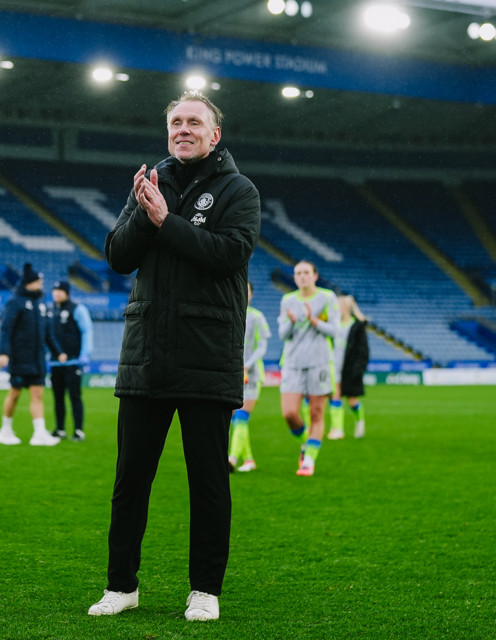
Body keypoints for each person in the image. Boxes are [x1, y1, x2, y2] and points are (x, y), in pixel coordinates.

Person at [88, 91, 260, 622]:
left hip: (207, 355)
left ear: (215, 135)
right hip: (145, 357)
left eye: (194, 122)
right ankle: (122, 586)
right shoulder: (150, 185)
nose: (183, 129)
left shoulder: (239, 190)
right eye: (175, 122)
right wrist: (145, 213)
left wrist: (166, 221)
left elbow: (229, 254)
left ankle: (205, 589)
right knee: (130, 480)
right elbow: (117, 257)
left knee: (207, 481)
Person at [278, 260, 340, 477]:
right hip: (293, 363)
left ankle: (309, 461)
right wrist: (292, 322)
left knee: (316, 413)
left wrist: (314, 321)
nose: (301, 276)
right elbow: (282, 335)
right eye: (298, 273)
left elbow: (334, 330)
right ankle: (307, 443)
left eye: (305, 272)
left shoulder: (327, 297)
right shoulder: (288, 300)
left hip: (319, 362)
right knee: (289, 413)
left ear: (315, 276)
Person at [0, 263, 65, 447]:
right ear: (29, 283)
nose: (41, 284)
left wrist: (59, 353)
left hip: (37, 360)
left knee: (37, 394)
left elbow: (48, 333)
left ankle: (39, 434)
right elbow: (6, 329)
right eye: (38, 281)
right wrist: (3, 352)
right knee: (15, 394)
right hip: (19, 358)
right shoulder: (15, 302)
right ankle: (5, 430)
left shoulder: (42, 304)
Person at [228, 281, 270, 472]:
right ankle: (249, 460)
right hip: (231, 373)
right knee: (234, 417)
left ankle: (232, 458)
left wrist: (248, 364)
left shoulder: (257, 317)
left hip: (251, 375)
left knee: (241, 417)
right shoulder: (229, 313)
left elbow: (262, 347)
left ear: (252, 294)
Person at [48, 280, 93, 441]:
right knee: (58, 397)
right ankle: (60, 429)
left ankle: (78, 430)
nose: (56, 293)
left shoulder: (77, 309)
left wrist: (85, 354)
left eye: (59, 290)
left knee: (74, 395)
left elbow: (86, 331)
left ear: (66, 292)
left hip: (74, 362)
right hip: (55, 363)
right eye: (54, 290)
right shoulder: (51, 310)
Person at [327, 294, 369, 440]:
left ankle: (359, 421)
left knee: (352, 401)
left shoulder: (356, 325)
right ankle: (337, 429)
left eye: (342, 305)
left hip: (350, 368)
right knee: (335, 396)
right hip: (333, 366)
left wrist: (359, 369)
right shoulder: (333, 324)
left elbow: (363, 350)